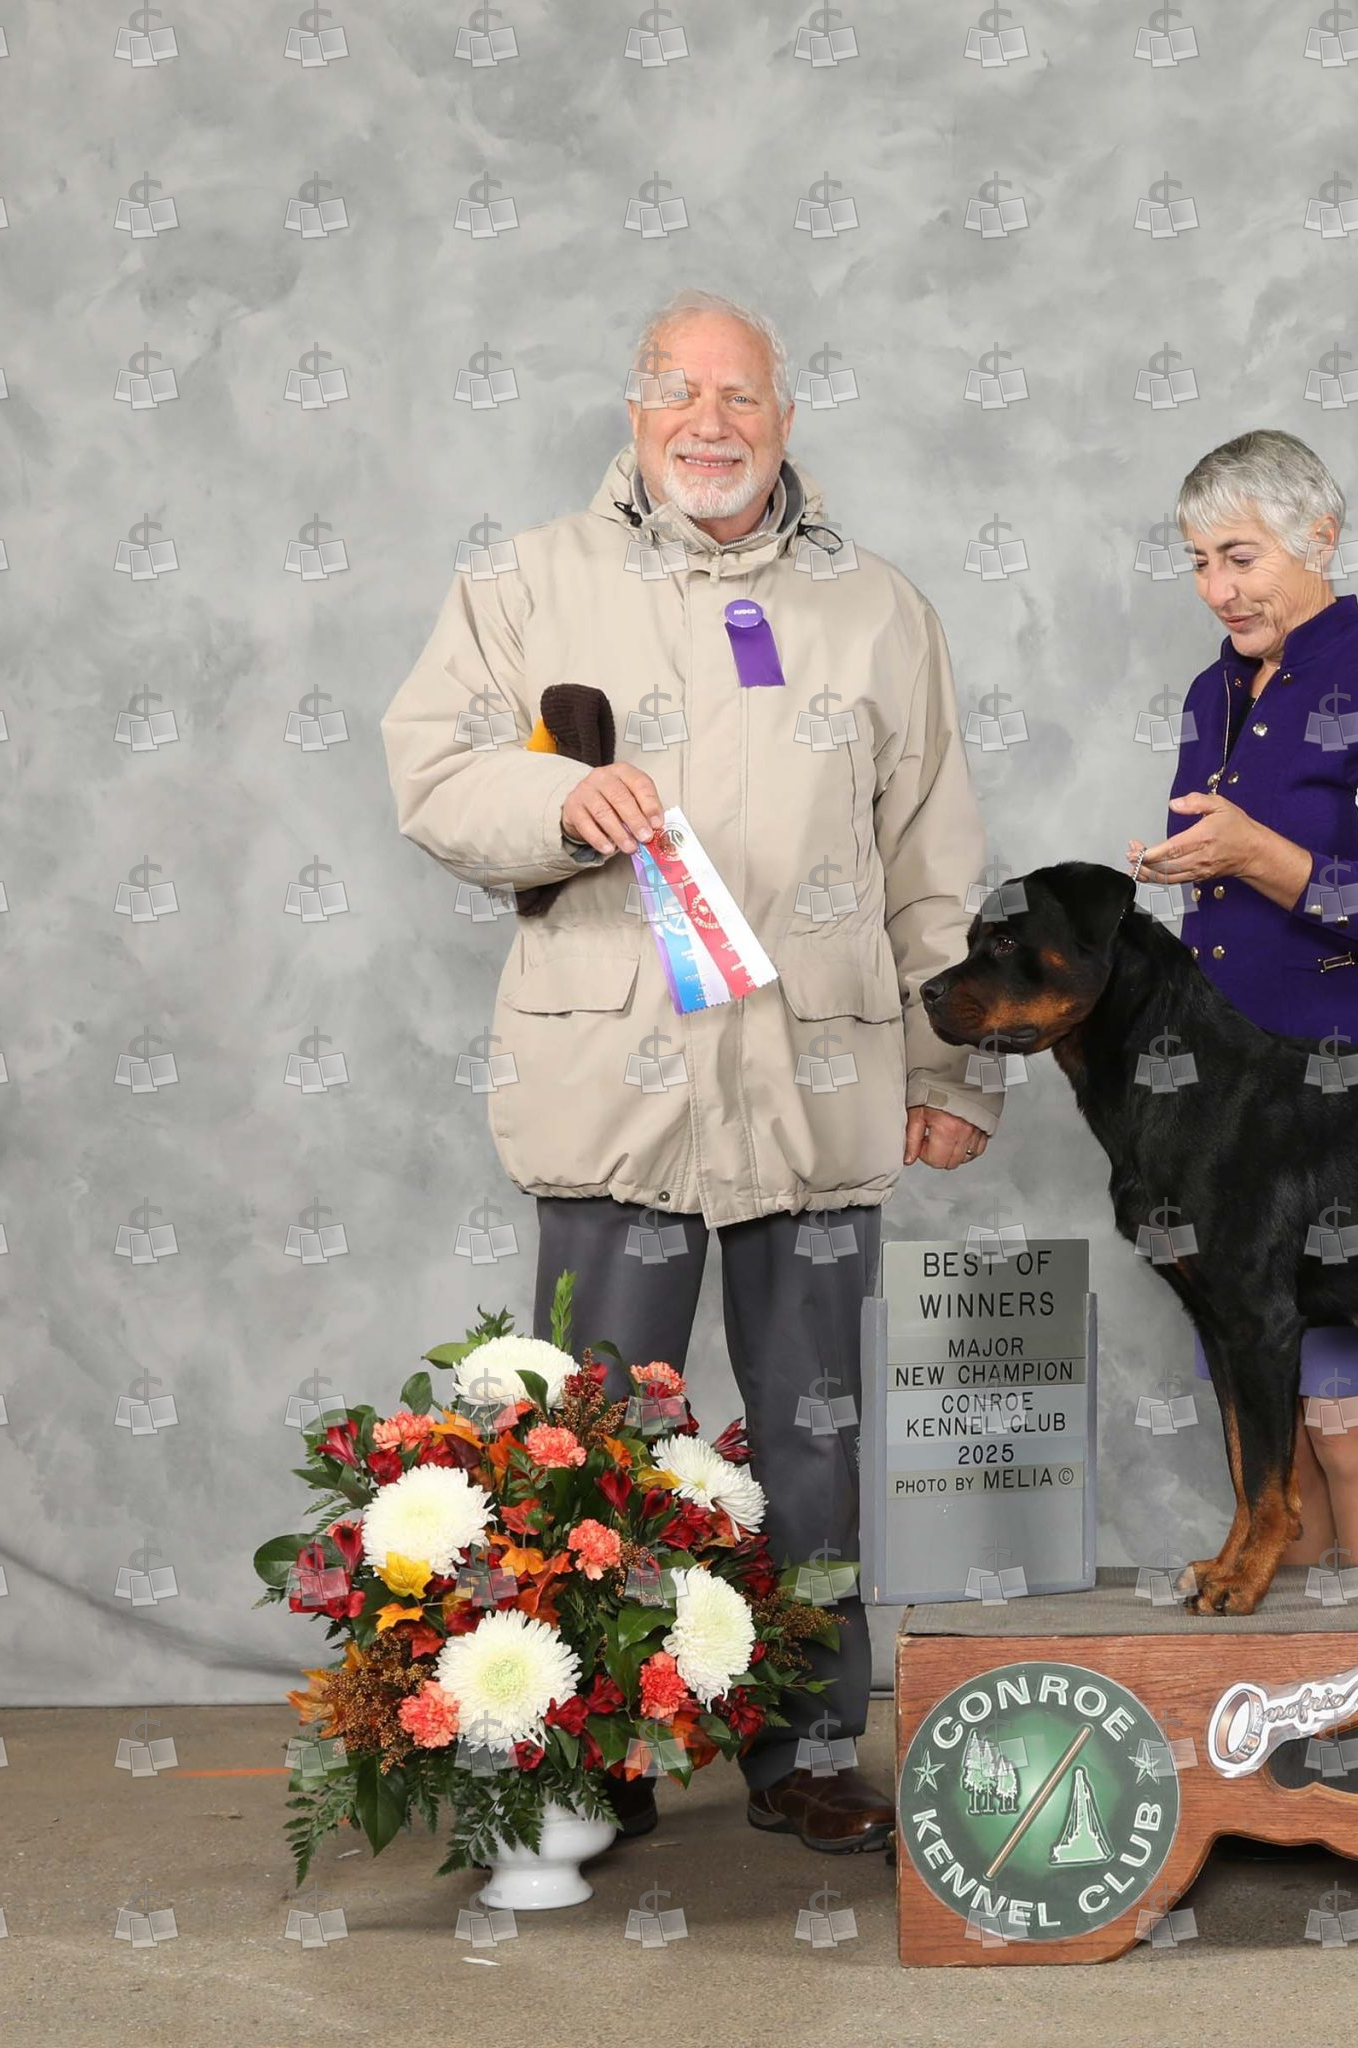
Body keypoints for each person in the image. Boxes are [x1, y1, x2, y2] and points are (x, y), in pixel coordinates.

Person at [380, 287, 998, 1855]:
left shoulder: (878, 607)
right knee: (588, 1446)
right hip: (613, 1085)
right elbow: (434, 775)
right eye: (679, 392)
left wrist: (954, 1072)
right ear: (633, 412)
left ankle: (808, 1747)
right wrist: (554, 806)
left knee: (818, 1442)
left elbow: (935, 857)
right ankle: (598, 1753)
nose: (709, 423)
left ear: (786, 418)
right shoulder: (523, 583)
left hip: (817, 1083)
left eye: (741, 396)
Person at [1126, 429, 1358, 1577]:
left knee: (1352, 1436)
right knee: (1266, 1454)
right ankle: (1296, 1690)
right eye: (1198, 561)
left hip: (1351, 1120)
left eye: (1240, 557)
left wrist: (1257, 853)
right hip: (1223, 1131)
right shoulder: (1210, 691)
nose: (1216, 588)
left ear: (1318, 538)